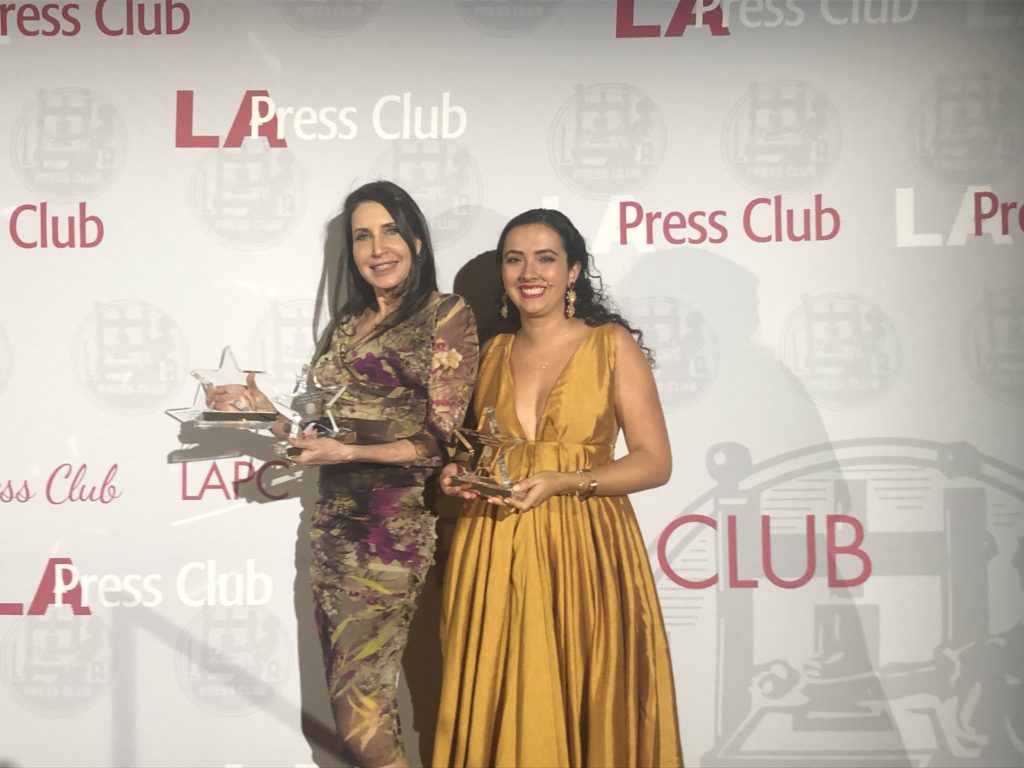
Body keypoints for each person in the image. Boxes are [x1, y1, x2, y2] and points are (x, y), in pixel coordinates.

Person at [207, 181, 478, 768]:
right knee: (356, 704)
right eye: (362, 235)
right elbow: (319, 436)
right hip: (331, 531)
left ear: (416, 239)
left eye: (389, 231)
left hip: (390, 537)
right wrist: (266, 414)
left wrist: (347, 454)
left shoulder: (444, 314)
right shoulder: (347, 323)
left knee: (363, 707)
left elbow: (438, 440)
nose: (377, 248)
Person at [433, 209, 684, 767]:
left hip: (584, 550)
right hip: (493, 550)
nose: (530, 272)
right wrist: (455, 474)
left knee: (584, 693)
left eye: (546, 257)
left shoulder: (610, 344)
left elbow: (654, 462)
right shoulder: (490, 354)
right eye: (514, 259)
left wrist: (568, 481)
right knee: (501, 695)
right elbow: (479, 451)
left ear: (573, 271)